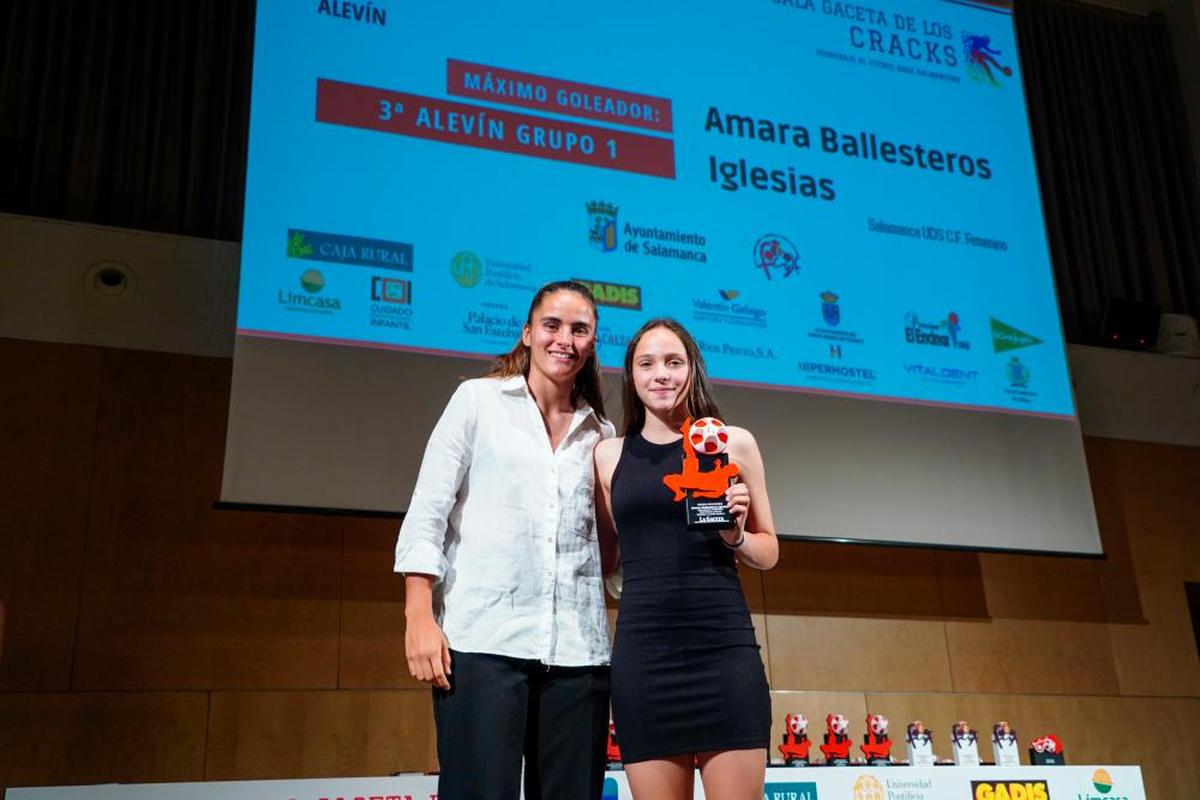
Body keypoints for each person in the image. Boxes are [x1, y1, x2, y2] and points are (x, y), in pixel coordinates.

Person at [395, 280, 615, 800]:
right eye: (552, 325)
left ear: (592, 343)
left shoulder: (601, 434)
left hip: (579, 655)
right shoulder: (477, 401)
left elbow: (609, 552)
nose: (565, 338)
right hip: (482, 644)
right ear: (528, 333)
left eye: (579, 329)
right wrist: (418, 614)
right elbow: (428, 511)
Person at [594, 318, 778, 800]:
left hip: (724, 654)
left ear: (692, 370)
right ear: (631, 376)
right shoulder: (607, 456)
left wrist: (735, 537)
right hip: (644, 660)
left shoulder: (734, 442)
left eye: (674, 362)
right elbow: (606, 558)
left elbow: (769, 550)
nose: (662, 374)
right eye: (647, 363)